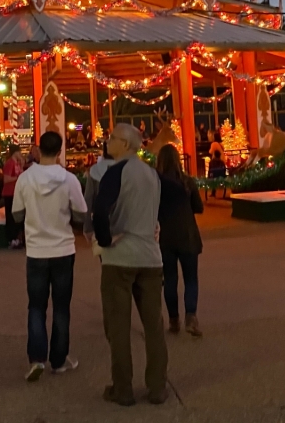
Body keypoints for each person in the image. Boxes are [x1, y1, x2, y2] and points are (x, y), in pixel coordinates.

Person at [92, 123, 168, 407]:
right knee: (153, 326)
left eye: (111, 138)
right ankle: (157, 387)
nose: (107, 142)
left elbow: (100, 210)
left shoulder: (115, 173)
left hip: (120, 258)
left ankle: (122, 389)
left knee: (118, 326)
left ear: (125, 144)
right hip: (151, 257)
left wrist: (104, 239)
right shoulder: (152, 174)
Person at [11, 131, 88, 381]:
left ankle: (36, 358)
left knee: (36, 305)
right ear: (60, 150)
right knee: (62, 307)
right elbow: (80, 214)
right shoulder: (69, 180)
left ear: (37, 149)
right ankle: (58, 359)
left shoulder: (25, 179)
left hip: (36, 251)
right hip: (63, 249)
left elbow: (17, 215)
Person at [155, 145, 203, 337]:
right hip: (188, 235)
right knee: (191, 278)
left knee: (170, 279)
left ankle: (174, 320)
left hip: (165, 237)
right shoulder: (187, 182)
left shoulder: (157, 184)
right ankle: (191, 316)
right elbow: (198, 207)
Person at [82, 143, 116, 240]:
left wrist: (87, 227)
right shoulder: (126, 168)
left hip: (101, 220)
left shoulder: (95, 170)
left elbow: (88, 198)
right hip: (123, 222)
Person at [2, 144, 26, 249]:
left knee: (16, 216)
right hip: (9, 193)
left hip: (16, 193)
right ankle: (11, 239)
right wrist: (18, 177)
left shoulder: (16, 163)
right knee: (11, 217)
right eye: (19, 152)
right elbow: (6, 179)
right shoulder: (9, 163)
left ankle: (17, 238)